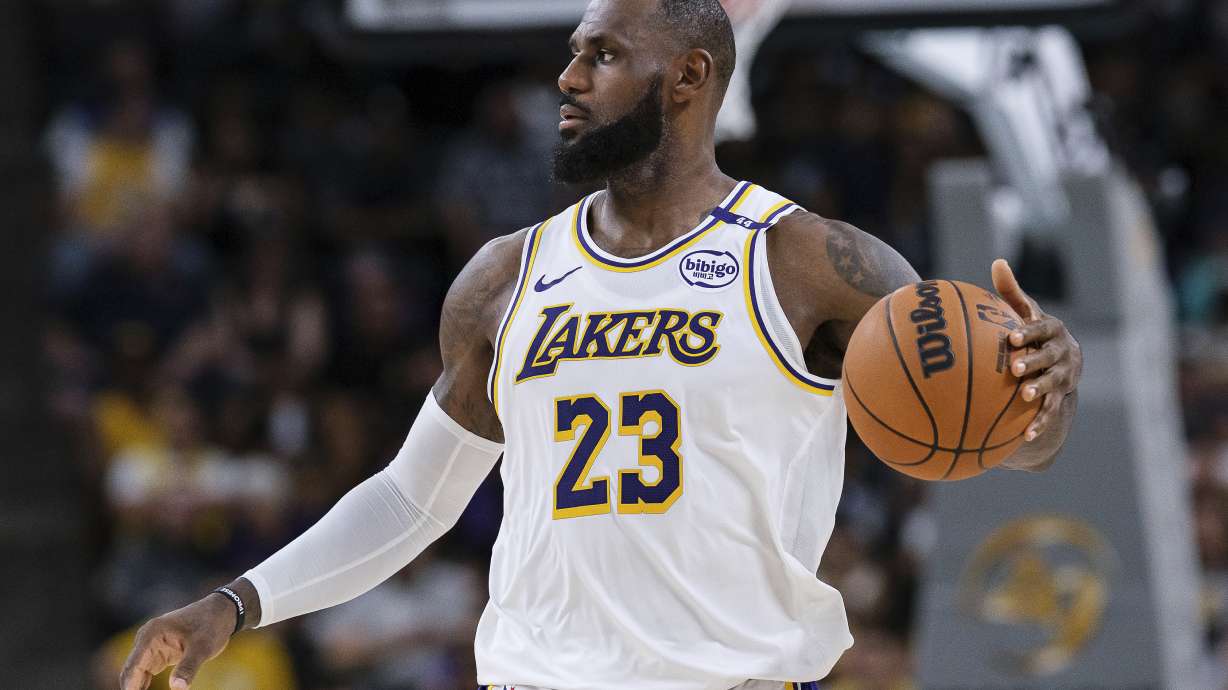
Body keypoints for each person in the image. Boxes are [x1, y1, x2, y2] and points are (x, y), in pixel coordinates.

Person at [119, 1, 1083, 689]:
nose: (567, 77)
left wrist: (1046, 391)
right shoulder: (504, 276)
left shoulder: (810, 260)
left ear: (691, 77)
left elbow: (994, 426)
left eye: (604, 55)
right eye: (575, 52)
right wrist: (235, 605)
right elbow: (413, 498)